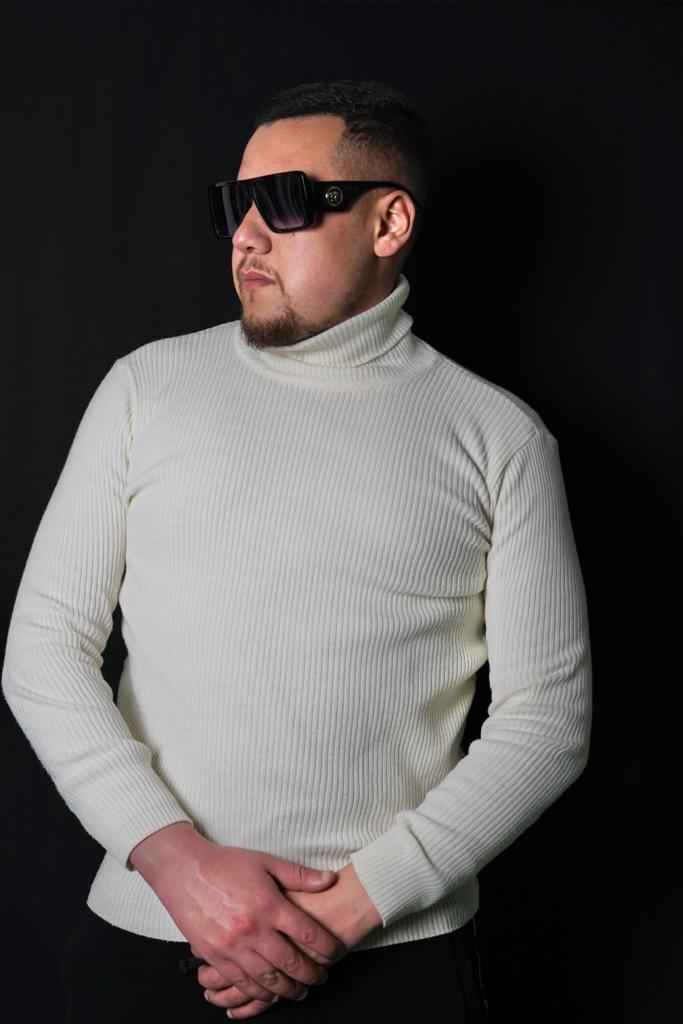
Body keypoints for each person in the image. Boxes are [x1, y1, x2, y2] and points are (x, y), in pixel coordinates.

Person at [1, 79, 592, 1022]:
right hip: (149, 942)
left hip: (395, 962)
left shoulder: (498, 437)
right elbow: (43, 648)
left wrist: (344, 914)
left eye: (281, 202)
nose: (244, 237)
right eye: (233, 205)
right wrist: (173, 861)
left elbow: (546, 719)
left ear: (388, 221)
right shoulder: (147, 386)